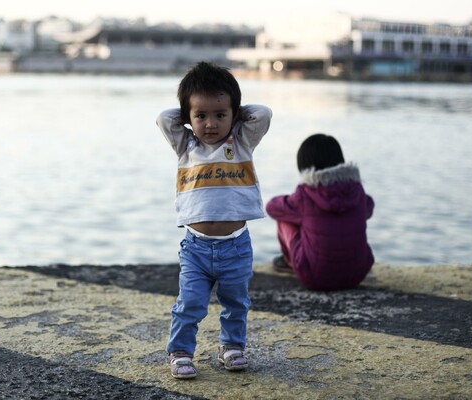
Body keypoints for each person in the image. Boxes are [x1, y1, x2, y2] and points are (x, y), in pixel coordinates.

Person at [156, 61, 272, 379]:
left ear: (232, 115)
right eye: (201, 115)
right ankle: (180, 351)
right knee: (190, 303)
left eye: (220, 114)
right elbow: (164, 119)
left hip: (236, 246)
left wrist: (235, 110)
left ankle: (231, 346)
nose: (210, 124)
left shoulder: (241, 141)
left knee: (236, 301)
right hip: (196, 248)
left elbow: (262, 113)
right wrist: (187, 113)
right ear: (189, 118)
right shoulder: (186, 145)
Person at [265, 133, 374, 291]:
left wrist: (292, 202)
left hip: (315, 277)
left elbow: (271, 208)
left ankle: (289, 262)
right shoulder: (357, 190)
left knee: (285, 218)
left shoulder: (305, 194)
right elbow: (368, 209)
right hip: (357, 275)